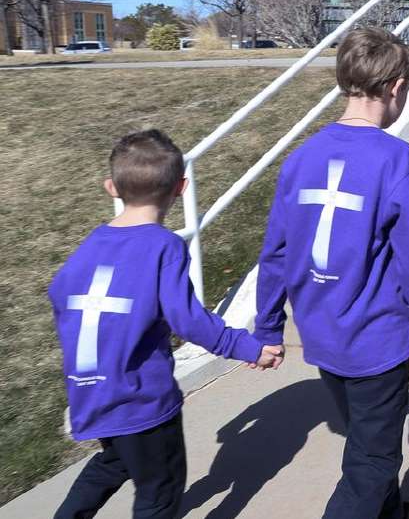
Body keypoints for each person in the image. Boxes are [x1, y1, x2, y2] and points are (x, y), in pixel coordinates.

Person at [253, 28, 409, 519]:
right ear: (395, 87)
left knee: (371, 442)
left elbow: (276, 252)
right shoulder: (396, 158)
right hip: (374, 341)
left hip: (322, 334)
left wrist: (267, 324)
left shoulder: (301, 157)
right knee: (371, 459)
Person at [50, 130, 282, 519]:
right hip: (141, 400)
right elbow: (188, 320)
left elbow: (60, 297)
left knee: (117, 461)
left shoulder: (90, 245)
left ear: (111, 187)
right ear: (181, 187)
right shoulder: (164, 247)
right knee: (160, 491)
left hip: (93, 393)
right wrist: (248, 347)